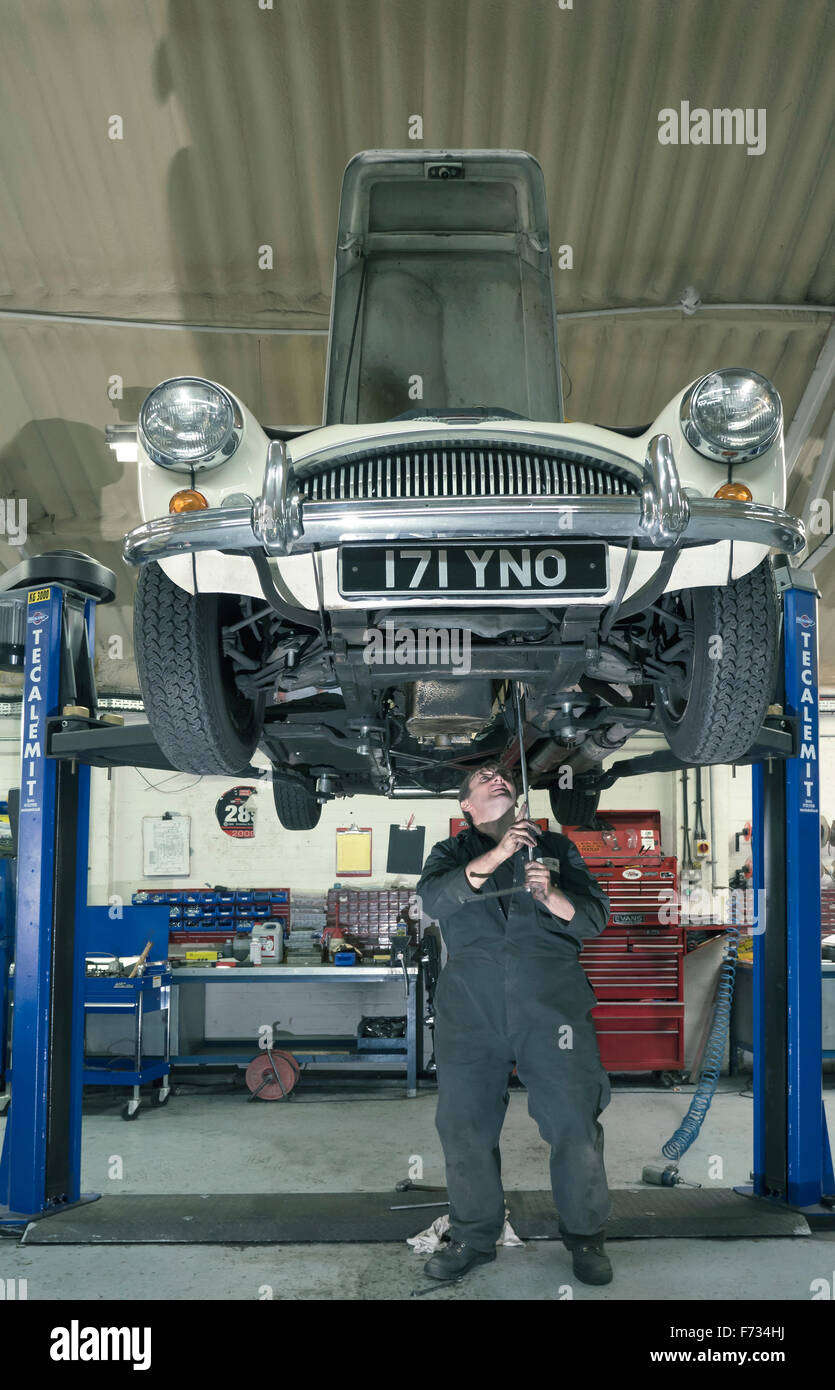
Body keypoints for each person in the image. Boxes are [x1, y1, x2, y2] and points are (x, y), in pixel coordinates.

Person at [415, 761, 613, 1286]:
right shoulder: (450, 853)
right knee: (464, 1128)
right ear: (465, 805)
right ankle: (475, 1237)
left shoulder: (559, 850)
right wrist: (502, 851)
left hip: (552, 1007)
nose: (496, 778)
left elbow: (594, 920)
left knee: (574, 1124)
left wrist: (552, 896)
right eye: (482, 779)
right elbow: (433, 901)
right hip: (471, 1012)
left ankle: (585, 1235)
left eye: (503, 776)